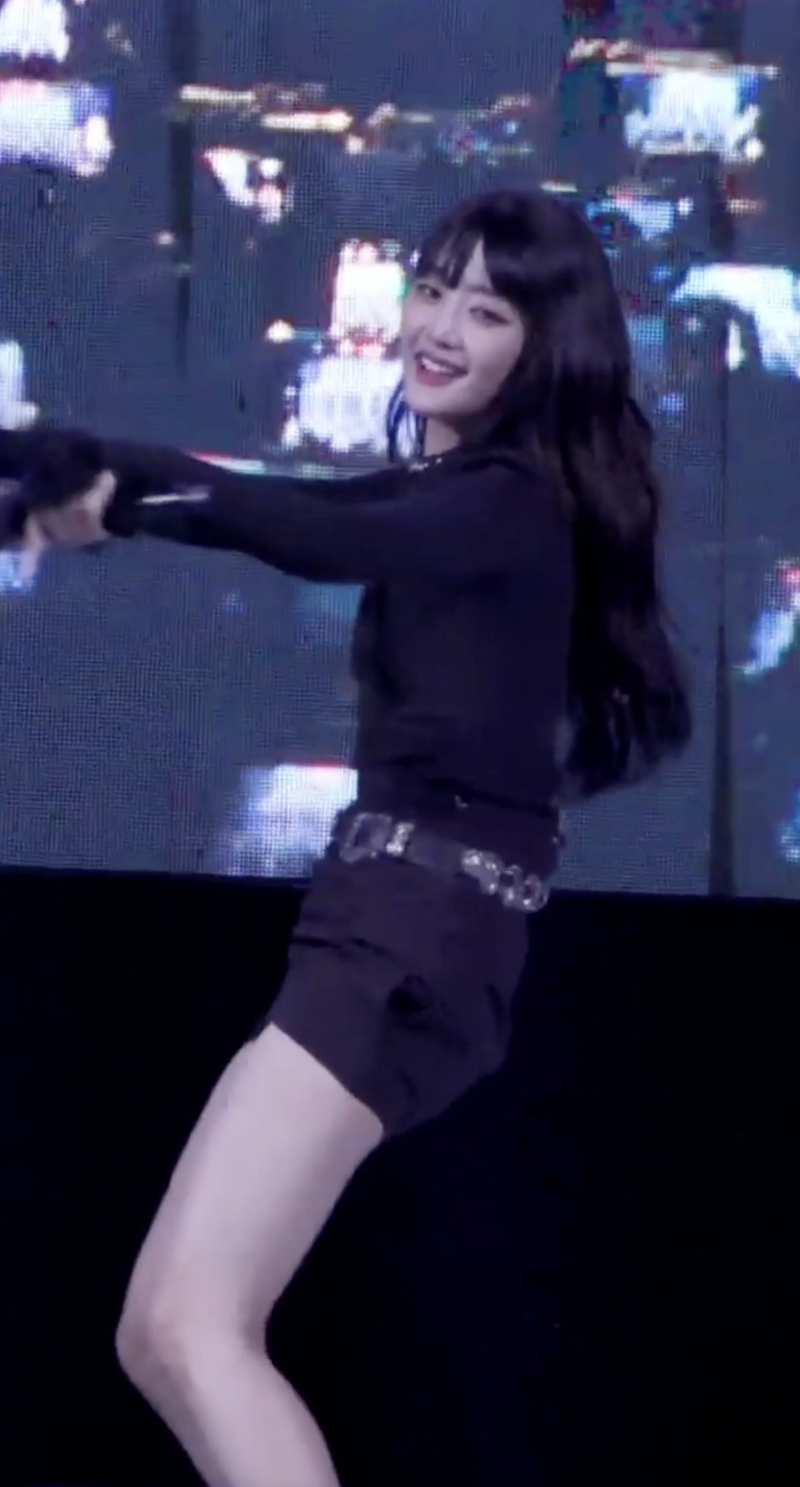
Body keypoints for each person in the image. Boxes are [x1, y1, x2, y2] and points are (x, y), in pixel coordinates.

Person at [0, 188, 692, 1487]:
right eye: (433, 290)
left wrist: (111, 486)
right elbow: (301, 501)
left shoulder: (512, 498)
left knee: (189, 1326)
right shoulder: (476, 488)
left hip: (410, 931)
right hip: (398, 926)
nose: (439, 326)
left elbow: (321, 532)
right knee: (169, 1329)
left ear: (546, 346)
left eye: (487, 310)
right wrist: (94, 473)